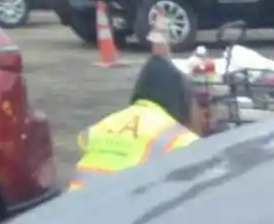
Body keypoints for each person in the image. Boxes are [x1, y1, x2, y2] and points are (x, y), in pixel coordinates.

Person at [68, 55, 205, 191]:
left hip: (74, 207)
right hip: (128, 209)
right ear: (179, 101)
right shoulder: (179, 138)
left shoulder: (105, 124)